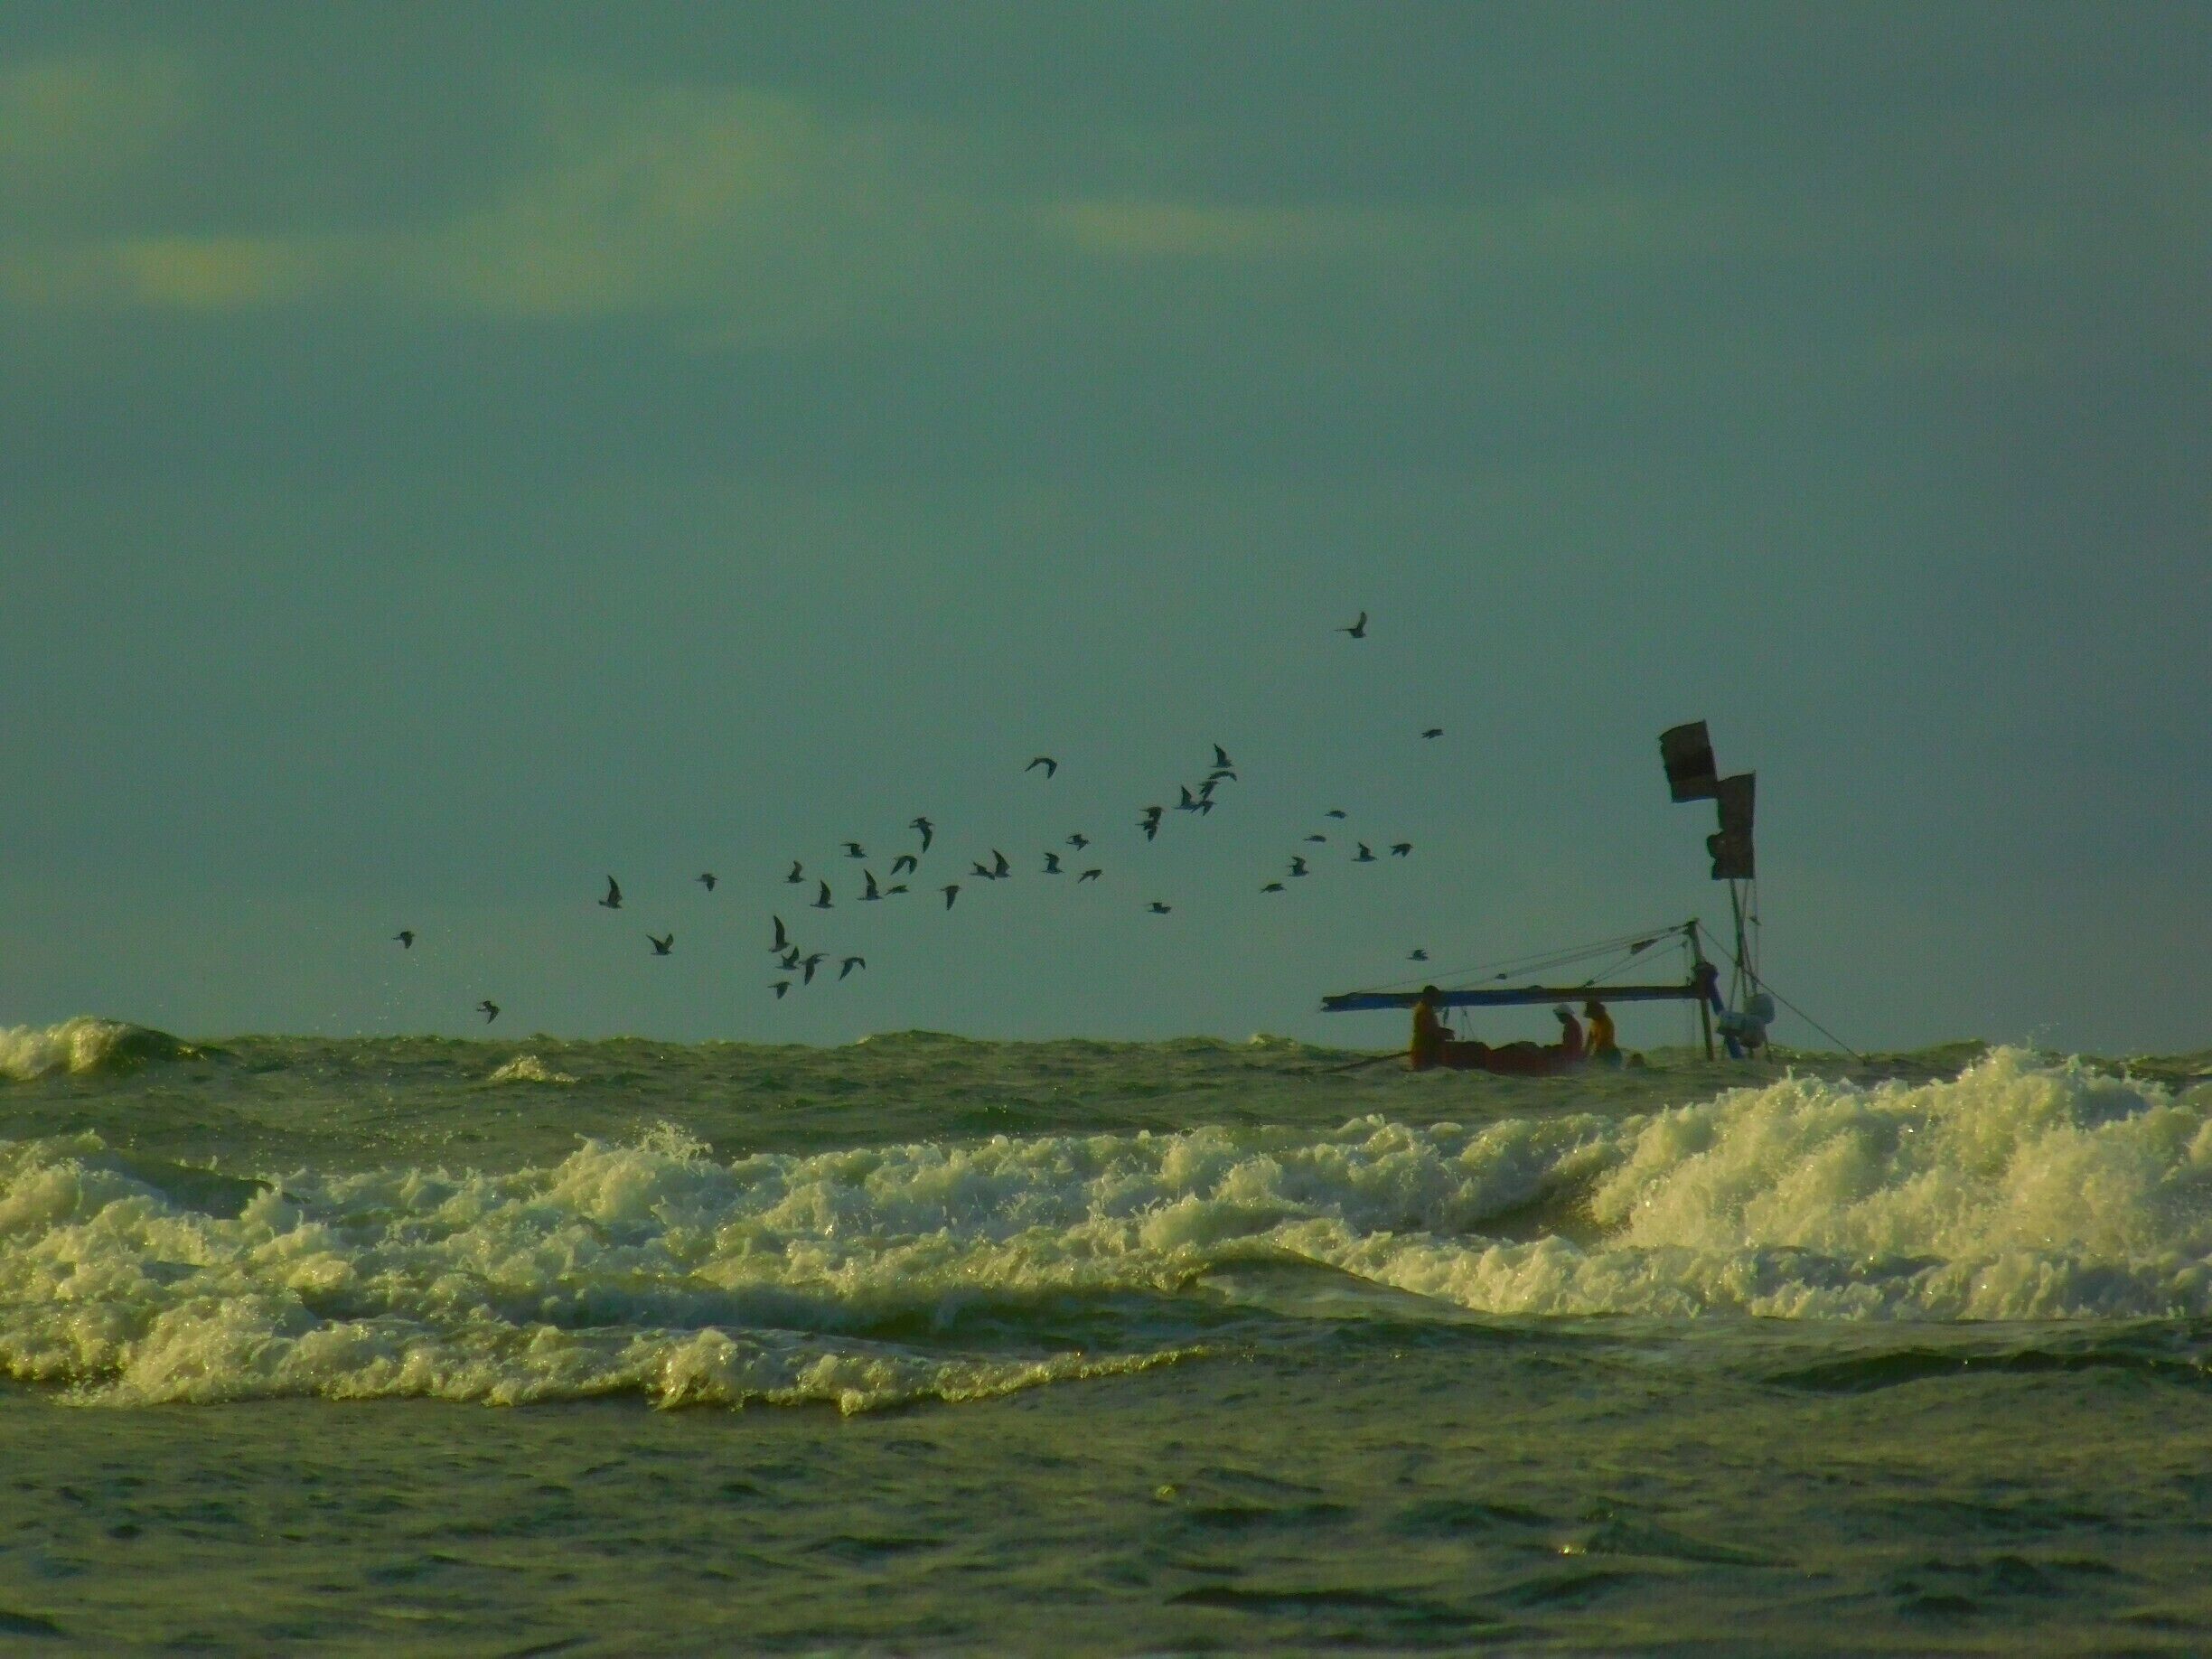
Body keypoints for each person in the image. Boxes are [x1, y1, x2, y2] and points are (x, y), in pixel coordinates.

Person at [1409, 987, 1447, 1070]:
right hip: (1424, 1050)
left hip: (1426, 1049)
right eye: (1435, 997)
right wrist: (1444, 1033)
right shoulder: (1424, 1010)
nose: (1437, 1000)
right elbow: (1428, 1031)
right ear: (1428, 997)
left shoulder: (1426, 1009)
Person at [1583, 998, 1619, 1064]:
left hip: (1609, 1054)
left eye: (1592, 1014)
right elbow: (1590, 1038)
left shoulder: (1606, 1023)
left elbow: (1601, 1044)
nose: (1591, 1017)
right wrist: (1585, 1053)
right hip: (1602, 1052)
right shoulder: (1595, 1022)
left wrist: (1592, 1058)